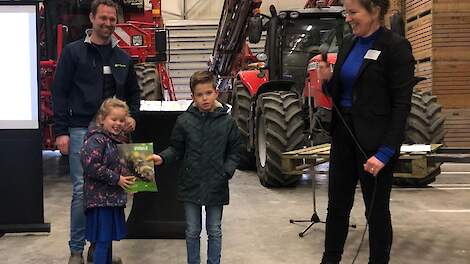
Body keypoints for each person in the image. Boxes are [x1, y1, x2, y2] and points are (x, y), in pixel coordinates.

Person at [316, 0, 416, 263]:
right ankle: (330, 259)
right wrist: (327, 81)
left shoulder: (396, 48)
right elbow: (338, 96)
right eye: (347, 12)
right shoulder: (349, 43)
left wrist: (385, 152)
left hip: (375, 144)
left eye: (353, 12)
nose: (348, 18)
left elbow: (401, 106)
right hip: (344, 136)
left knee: (377, 213)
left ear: (374, 11)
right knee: (337, 207)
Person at [51, 0, 140, 263]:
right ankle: (76, 249)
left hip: (115, 134)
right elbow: (60, 92)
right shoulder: (73, 53)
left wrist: (132, 115)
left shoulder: (123, 58)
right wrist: (61, 131)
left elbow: (134, 93)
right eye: (103, 18)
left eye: (112, 19)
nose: (108, 23)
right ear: (92, 18)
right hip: (81, 129)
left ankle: (99, 248)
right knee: (82, 190)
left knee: (113, 191)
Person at [148, 71, 241, 264]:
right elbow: (176, 149)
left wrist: (226, 172)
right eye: (199, 94)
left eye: (208, 93)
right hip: (190, 183)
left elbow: (234, 152)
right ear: (192, 97)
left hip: (217, 184)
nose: (204, 98)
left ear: (216, 92)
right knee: (192, 231)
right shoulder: (184, 121)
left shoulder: (228, 122)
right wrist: (162, 158)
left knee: (214, 230)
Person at [80, 98, 135, 264]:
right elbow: (91, 166)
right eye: (114, 119)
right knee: (103, 241)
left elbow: (121, 167)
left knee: (108, 238)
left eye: (121, 120)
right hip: (100, 201)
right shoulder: (96, 139)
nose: (118, 123)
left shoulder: (116, 140)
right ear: (102, 119)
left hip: (113, 199)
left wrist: (132, 181)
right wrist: (117, 179)